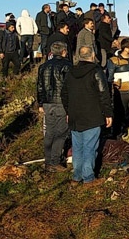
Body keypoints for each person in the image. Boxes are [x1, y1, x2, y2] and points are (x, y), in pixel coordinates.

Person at [61, 46, 113, 186]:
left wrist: (68, 111)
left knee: (77, 147)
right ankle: (88, 177)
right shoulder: (96, 71)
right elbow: (104, 94)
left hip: (75, 115)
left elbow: (64, 94)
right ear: (93, 55)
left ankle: (76, 176)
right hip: (92, 114)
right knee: (90, 146)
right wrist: (108, 113)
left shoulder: (70, 71)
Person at [36, 41, 72, 173]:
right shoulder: (67, 66)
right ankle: (55, 161)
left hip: (47, 102)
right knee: (61, 133)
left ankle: (48, 160)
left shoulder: (43, 67)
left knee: (50, 132)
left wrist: (40, 103)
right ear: (63, 52)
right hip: (61, 103)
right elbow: (68, 88)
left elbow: (40, 86)